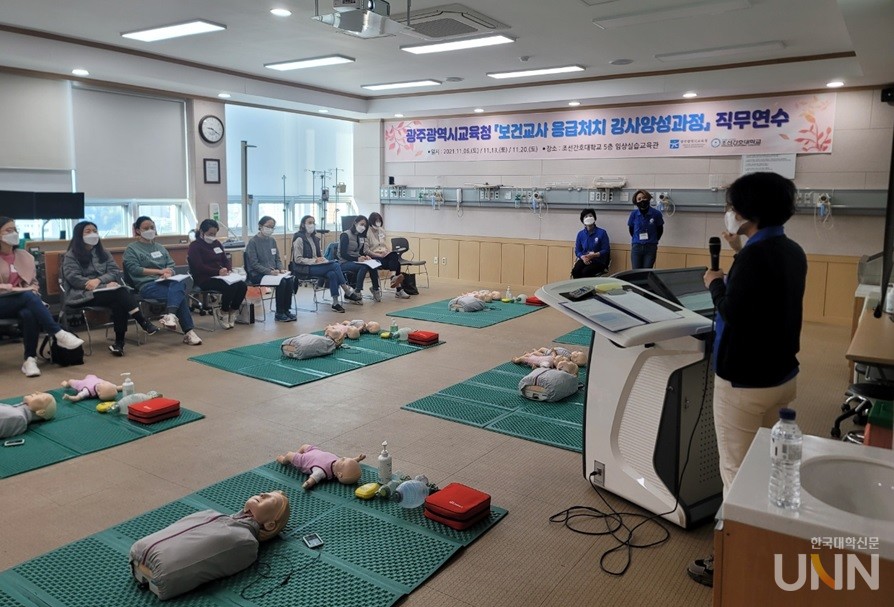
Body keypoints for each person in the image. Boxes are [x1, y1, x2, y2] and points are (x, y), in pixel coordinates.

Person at [687, 172, 806, 587]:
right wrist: (738, 257)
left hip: (743, 383)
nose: (730, 213)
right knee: (771, 465)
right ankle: (772, 536)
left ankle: (735, 562)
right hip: (782, 376)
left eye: (734, 206)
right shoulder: (790, 250)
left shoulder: (753, 259)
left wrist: (716, 283)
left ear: (746, 213)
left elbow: (734, 311)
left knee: (735, 471)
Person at [129, 491, 290, 601]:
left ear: (270, 525)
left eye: (270, 499)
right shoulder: (214, 515)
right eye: (265, 493)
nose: (263, 494)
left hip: (160, 573)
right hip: (146, 555)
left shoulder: (246, 542)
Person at [0, 216, 84, 376]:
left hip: (21, 301)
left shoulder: (25, 256)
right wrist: (14, 289)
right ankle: (58, 333)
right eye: (8, 230)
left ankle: (30, 360)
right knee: (28, 298)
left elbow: (33, 282)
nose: (14, 233)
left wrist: (29, 290)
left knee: (29, 312)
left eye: (15, 230)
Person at [62, 220, 160, 356]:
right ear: (79, 235)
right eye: (88, 231)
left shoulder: (103, 253)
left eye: (95, 231)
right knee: (121, 293)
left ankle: (119, 344)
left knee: (119, 301)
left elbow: (114, 271)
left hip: (106, 292)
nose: (93, 234)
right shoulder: (71, 256)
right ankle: (143, 321)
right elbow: (74, 278)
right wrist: (103, 285)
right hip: (82, 294)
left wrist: (99, 281)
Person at [123, 216, 202, 345]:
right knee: (180, 294)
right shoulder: (132, 249)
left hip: (166, 283)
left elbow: (171, 264)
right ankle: (188, 331)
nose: (150, 230)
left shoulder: (160, 247)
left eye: (152, 227)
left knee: (179, 285)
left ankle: (171, 317)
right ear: (138, 230)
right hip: (147, 285)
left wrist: (169, 272)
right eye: (146, 228)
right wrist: (159, 272)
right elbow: (134, 269)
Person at [290, 215, 362, 313]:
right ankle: (347, 290)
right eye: (309, 223)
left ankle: (335, 303)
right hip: (304, 268)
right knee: (335, 265)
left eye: (313, 223)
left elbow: (320, 255)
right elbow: (297, 259)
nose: (312, 225)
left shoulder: (315, 239)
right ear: (303, 225)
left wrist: (323, 260)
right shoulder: (299, 239)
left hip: (316, 266)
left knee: (332, 273)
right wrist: (314, 261)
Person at [188, 219, 247, 329]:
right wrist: (217, 272)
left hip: (221, 275)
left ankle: (232, 311)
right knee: (231, 286)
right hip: (204, 278)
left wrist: (227, 269)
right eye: (210, 234)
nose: (213, 236)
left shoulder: (217, 243)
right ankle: (223, 312)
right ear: (202, 231)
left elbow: (225, 260)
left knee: (242, 286)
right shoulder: (195, 246)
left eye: (215, 234)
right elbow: (199, 266)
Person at [244, 216, 296, 322]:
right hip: (257, 274)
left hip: (272, 273)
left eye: (272, 227)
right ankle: (279, 312)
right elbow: (254, 264)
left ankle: (286, 309)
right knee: (282, 282)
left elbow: (277, 258)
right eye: (268, 226)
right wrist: (269, 272)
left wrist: (281, 269)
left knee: (289, 280)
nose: (270, 229)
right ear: (260, 226)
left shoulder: (272, 240)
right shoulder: (253, 242)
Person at [276, 444, 366, 489]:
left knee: (289, 455)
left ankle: (283, 460)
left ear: (339, 474)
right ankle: (296, 454)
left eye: (343, 461)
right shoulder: (338, 464)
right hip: (315, 452)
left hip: (304, 460)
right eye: (345, 458)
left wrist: (308, 484)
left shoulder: (322, 471)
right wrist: (358, 459)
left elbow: (314, 478)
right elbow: (350, 462)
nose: (343, 458)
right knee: (304, 446)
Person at [366, 212, 411, 300]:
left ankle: (393, 277)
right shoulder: (367, 232)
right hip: (373, 256)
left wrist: (387, 251)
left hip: (384, 254)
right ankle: (398, 289)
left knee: (394, 255)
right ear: (371, 221)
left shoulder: (382, 230)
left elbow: (386, 244)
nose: (378, 222)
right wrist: (378, 255)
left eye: (379, 221)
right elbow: (366, 250)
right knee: (397, 264)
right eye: (376, 221)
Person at [338, 215, 377, 303]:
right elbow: (343, 254)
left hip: (355, 261)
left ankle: (376, 289)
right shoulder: (345, 235)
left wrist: (365, 257)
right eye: (361, 224)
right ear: (355, 223)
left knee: (373, 265)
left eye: (365, 226)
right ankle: (357, 291)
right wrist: (357, 258)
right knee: (363, 267)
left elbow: (360, 251)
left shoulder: (361, 236)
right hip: (344, 262)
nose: (363, 227)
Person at [627, 189, 664, 269]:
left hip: (650, 247)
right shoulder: (634, 214)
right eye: (639, 199)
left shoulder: (656, 214)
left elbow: (660, 230)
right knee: (636, 272)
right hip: (637, 246)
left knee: (646, 272)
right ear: (636, 202)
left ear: (648, 198)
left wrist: (653, 240)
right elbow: (631, 230)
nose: (642, 200)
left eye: (644, 198)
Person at [571, 209, 611, 278]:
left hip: (598, 261)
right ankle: (578, 288)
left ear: (594, 218)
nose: (588, 218)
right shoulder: (580, 234)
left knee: (586, 272)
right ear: (583, 220)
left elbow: (606, 250)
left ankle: (587, 288)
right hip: (584, 259)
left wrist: (593, 255)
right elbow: (577, 250)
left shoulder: (602, 233)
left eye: (590, 216)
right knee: (575, 271)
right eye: (586, 216)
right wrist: (583, 257)